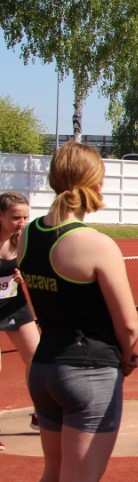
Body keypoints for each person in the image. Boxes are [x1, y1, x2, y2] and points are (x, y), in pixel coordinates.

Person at [19, 142, 138, 482]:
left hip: (46, 366)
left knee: (53, 477)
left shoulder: (28, 235)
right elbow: (128, 323)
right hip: (89, 373)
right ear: (95, 183)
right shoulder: (95, 243)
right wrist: (127, 356)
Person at [0, 191, 39, 449]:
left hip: (14, 304)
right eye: (16, 218)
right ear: (0, 215)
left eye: (25, 217)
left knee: (38, 357)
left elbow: (32, 267)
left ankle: (41, 413)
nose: (22, 223)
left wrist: (24, 274)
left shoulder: (23, 238)